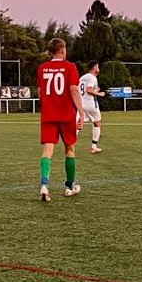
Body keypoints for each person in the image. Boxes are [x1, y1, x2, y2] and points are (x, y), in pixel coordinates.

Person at [37, 38, 84, 201]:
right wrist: (81, 111)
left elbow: (40, 92)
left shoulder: (42, 68)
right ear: (62, 50)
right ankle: (69, 186)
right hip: (66, 115)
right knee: (69, 149)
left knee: (47, 151)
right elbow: (73, 90)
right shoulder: (70, 67)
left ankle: (44, 185)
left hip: (49, 115)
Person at [78, 61, 106, 154]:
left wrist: (94, 90)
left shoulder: (82, 77)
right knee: (97, 123)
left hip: (81, 103)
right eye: (97, 66)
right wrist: (99, 93)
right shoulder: (92, 77)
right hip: (91, 104)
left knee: (78, 125)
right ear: (94, 67)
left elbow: (82, 90)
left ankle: (69, 143)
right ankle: (94, 146)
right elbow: (88, 89)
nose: (98, 68)